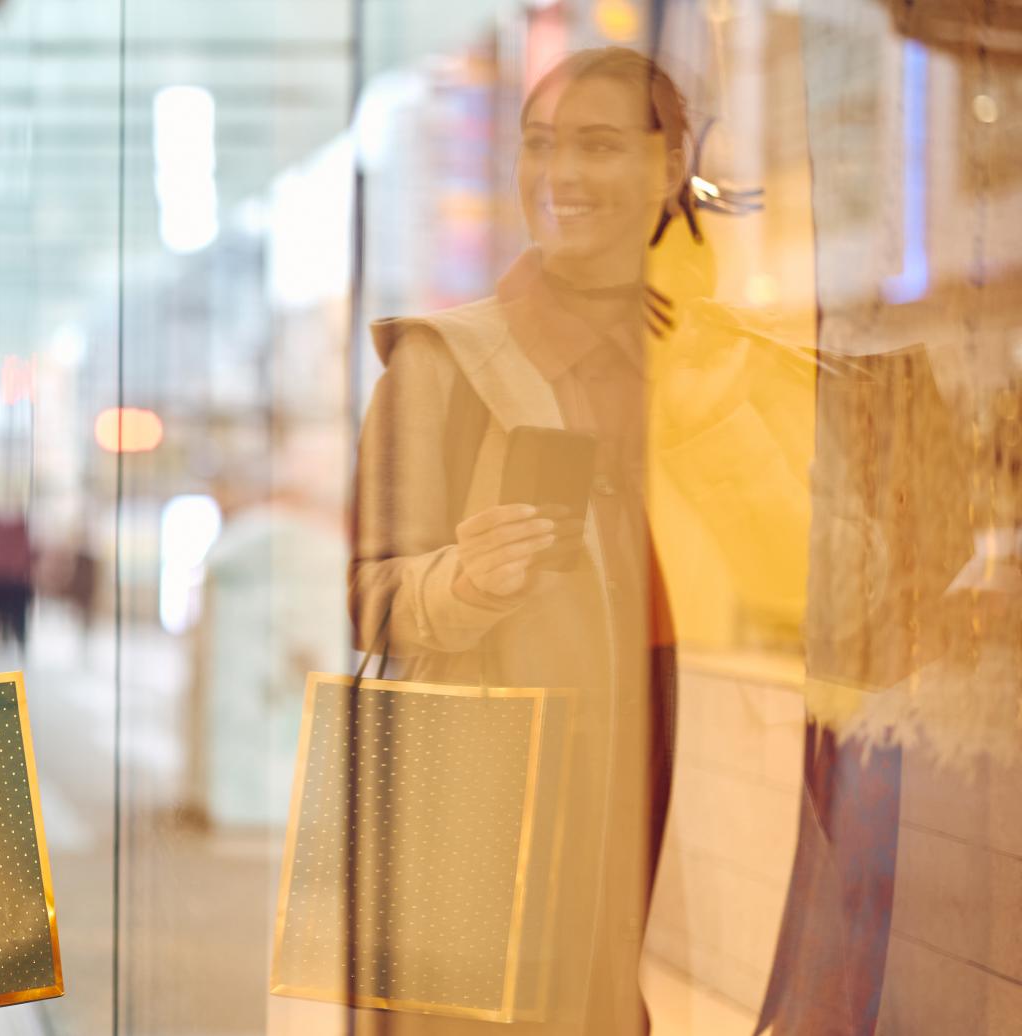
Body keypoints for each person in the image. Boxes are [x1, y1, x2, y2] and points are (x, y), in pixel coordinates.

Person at [348, 47, 803, 1035]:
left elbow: (811, 580)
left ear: (668, 165)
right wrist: (464, 581)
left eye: (598, 145)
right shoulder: (443, 365)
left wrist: (714, 407)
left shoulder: (730, 363)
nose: (559, 175)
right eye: (540, 145)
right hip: (510, 758)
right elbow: (372, 597)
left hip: (695, 736)